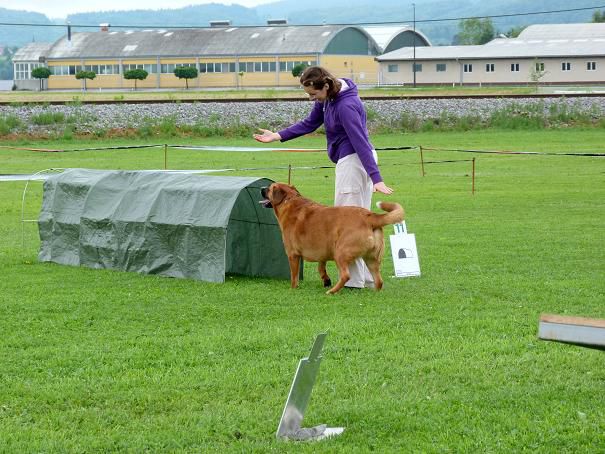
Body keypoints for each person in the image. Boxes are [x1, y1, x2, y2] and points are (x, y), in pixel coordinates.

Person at [253, 66, 394, 289]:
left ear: (326, 85)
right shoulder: (329, 99)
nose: (312, 99)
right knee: (358, 218)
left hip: (355, 160)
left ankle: (353, 281)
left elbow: (360, 142)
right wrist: (277, 136)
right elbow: (310, 123)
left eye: (313, 94)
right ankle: (366, 278)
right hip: (351, 160)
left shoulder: (346, 106)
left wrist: (376, 178)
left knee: (347, 221)